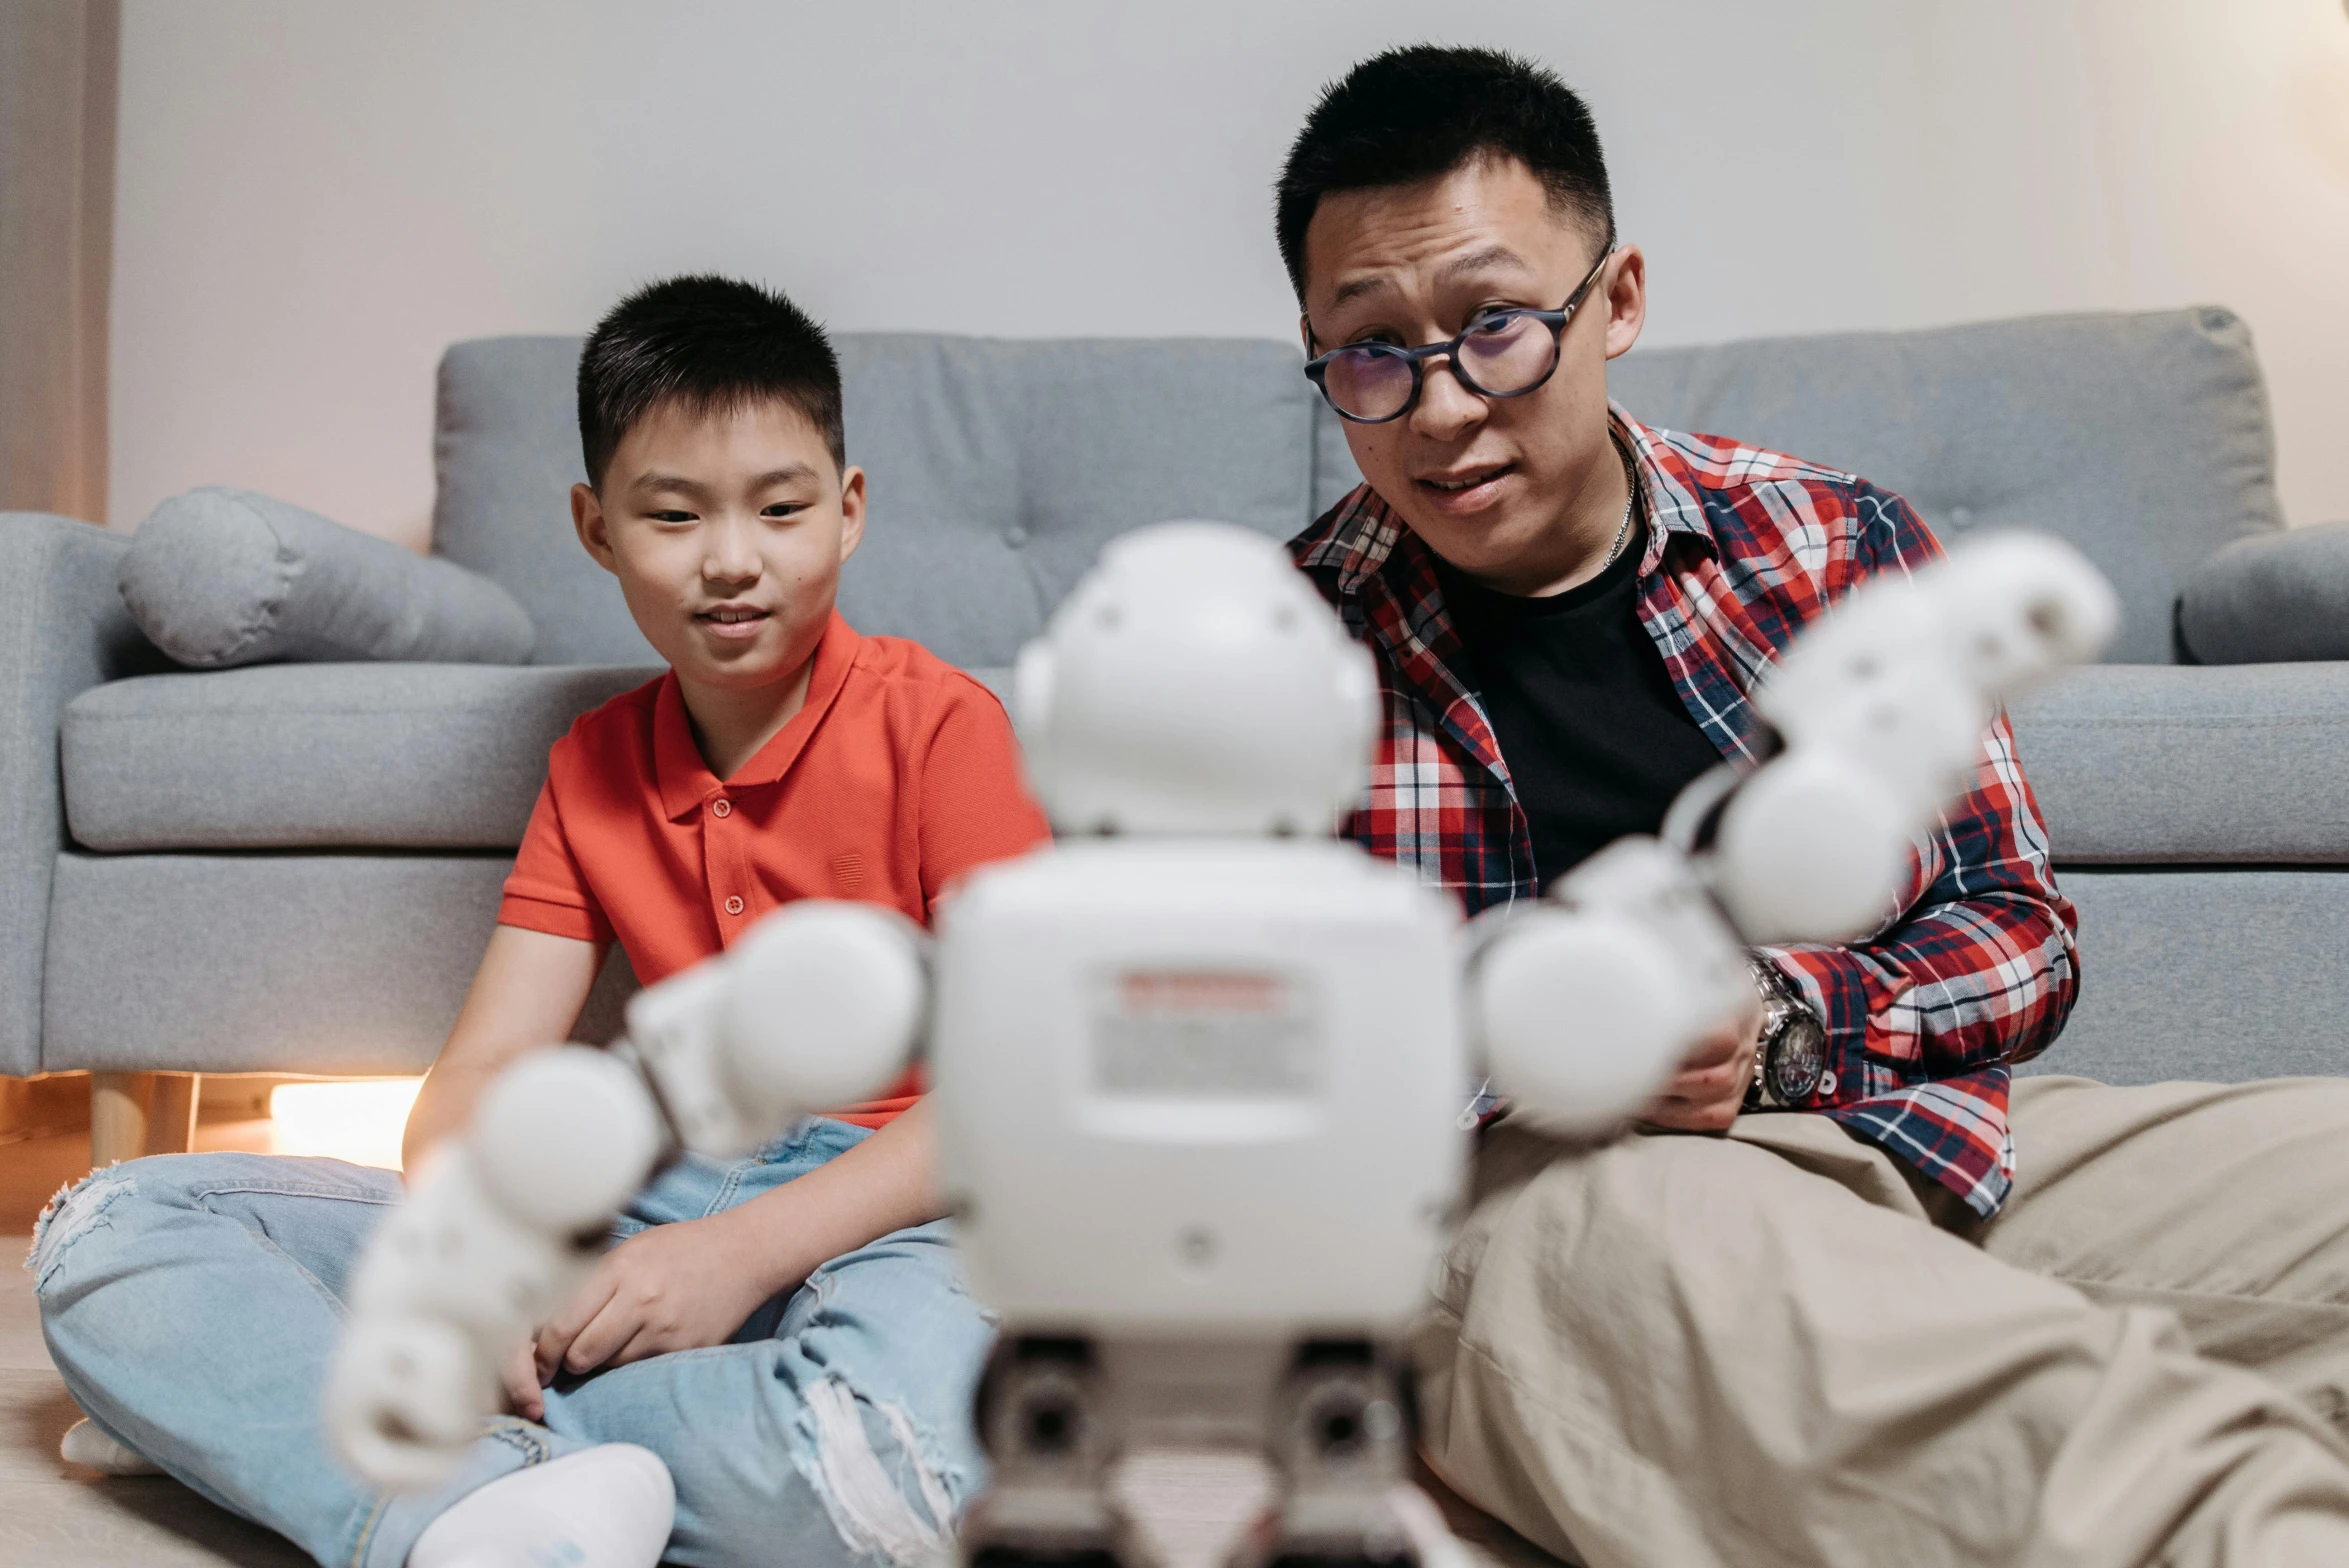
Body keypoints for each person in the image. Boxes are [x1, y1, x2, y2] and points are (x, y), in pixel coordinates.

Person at [1276, 46, 2349, 1568]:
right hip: (1529, 1201)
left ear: (1618, 300)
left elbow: (2019, 935)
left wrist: (1773, 1028)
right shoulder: (1266, 653)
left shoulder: (1831, 541)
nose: (1439, 408)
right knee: (1975, 1416)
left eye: (1495, 327)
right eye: (1370, 353)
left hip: (1900, 1133)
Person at [31, 275, 1052, 1568]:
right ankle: (456, 1483)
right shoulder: (593, 765)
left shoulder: (947, 728)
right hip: (646, 1194)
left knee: (893, 1459)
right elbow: (482, 1074)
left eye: (781, 508)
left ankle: (294, 1422)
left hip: (898, 1209)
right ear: (596, 528)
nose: (732, 558)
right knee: (108, 1230)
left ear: (848, 515)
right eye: (673, 515)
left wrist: (733, 1257)